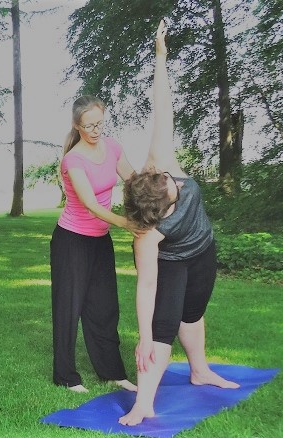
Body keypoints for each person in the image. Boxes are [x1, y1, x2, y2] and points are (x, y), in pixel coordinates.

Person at [118, 21, 239, 426]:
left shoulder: (160, 168)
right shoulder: (148, 237)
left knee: (194, 313)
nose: (174, 181)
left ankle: (200, 369)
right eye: (171, 187)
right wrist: (142, 335)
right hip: (173, 264)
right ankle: (145, 402)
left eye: (169, 180)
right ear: (159, 210)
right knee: (163, 327)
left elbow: (162, 110)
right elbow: (146, 286)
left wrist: (160, 57)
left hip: (203, 250)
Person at [50, 90, 143, 393]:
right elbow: (90, 203)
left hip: (99, 241)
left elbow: (132, 178)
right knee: (69, 308)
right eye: (89, 126)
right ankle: (65, 376)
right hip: (71, 241)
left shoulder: (113, 147)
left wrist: (153, 195)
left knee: (104, 308)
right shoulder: (72, 160)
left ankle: (112, 372)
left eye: (100, 124)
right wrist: (126, 224)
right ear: (77, 125)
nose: (95, 131)